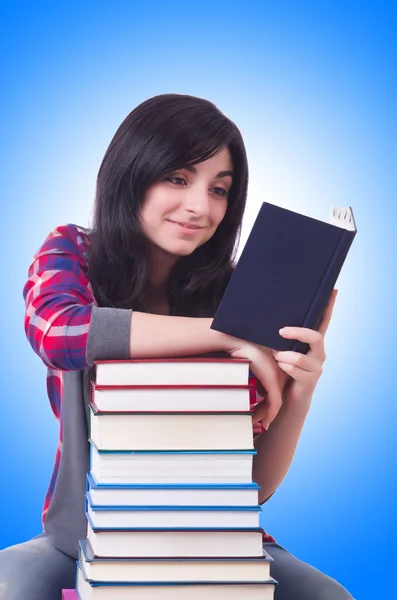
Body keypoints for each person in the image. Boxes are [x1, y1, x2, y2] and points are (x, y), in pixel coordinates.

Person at [0, 93, 353, 599]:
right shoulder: (73, 252)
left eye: (219, 190)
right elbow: (59, 332)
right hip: (82, 540)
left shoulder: (240, 289)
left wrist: (301, 390)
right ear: (131, 174)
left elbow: (252, 484)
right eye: (178, 179)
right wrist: (227, 332)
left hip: (218, 540)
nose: (199, 207)